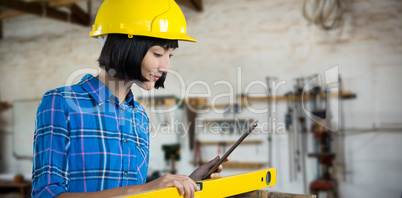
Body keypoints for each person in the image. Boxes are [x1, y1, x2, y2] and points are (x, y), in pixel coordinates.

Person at [31, 0, 230, 198]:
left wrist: (187, 182)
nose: (166, 66)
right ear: (122, 45)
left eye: (170, 55)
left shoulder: (138, 115)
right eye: (158, 53)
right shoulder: (61, 103)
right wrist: (147, 188)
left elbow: (133, 193)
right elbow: (45, 194)